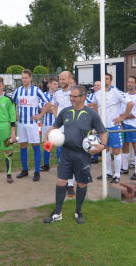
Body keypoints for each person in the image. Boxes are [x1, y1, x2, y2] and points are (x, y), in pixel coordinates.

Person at [43, 85, 107, 224]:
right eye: (71, 96)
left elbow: (103, 132)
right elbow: (54, 127)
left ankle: (78, 211)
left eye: (74, 96)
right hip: (66, 152)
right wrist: (48, 137)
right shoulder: (65, 112)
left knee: (82, 183)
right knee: (61, 181)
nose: (71, 98)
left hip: (82, 155)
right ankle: (57, 212)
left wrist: (102, 146)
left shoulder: (92, 114)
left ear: (83, 97)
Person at [91, 73, 133, 183]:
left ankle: (117, 175)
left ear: (111, 81)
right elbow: (94, 105)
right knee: (105, 150)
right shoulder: (97, 94)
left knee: (116, 151)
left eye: (107, 79)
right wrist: (97, 119)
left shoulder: (116, 92)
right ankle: (108, 172)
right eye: (103, 79)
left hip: (114, 127)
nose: (105, 81)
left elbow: (130, 103)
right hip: (102, 128)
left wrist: (123, 117)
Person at [13, 69, 51, 182]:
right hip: (21, 124)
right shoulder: (18, 90)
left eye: (26, 78)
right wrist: (15, 113)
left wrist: (40, 115)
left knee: (35, 146)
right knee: (23, 145)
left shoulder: (36, 90)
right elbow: (12, 103)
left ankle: (37, 172)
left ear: (30, 78)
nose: (24, 80)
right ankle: (24, 170)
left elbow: (48, 103)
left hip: (33, 124)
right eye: (22, 78)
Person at [52, 71, 75, 195]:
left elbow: (85, 108)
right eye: (60, 78)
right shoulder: (57, 94)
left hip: (73, 131)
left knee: (72, 156)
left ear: (70, 79)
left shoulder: (76, 93)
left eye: (64, 78)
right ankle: (63, 181)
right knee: (61, 156)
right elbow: (53, 106)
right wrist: (57, 118)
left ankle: (71, 184)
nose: (61, 81)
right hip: (60, 131)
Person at [120, 76, 136, 180]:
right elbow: (120, 111)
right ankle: (125, 168)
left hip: (134, 125)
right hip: (124, 125)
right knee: (125, 146)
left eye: (131, 82)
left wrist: (123, 116)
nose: (129, 84)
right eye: (128, 82)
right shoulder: (124, 95)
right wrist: (121, 121)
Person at [41, 77, 59, 169]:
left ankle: (60, 164)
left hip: (58, 125)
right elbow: (41, 109)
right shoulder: (43, 95)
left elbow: (60, 109)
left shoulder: (60, 95)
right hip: (47, 124)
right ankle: (46, 164)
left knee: (59, 144)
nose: (56, 85)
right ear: (49, 85)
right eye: (54, 84)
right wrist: (52, 109)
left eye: (57, 84)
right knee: (47, 144)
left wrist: (49, 108)